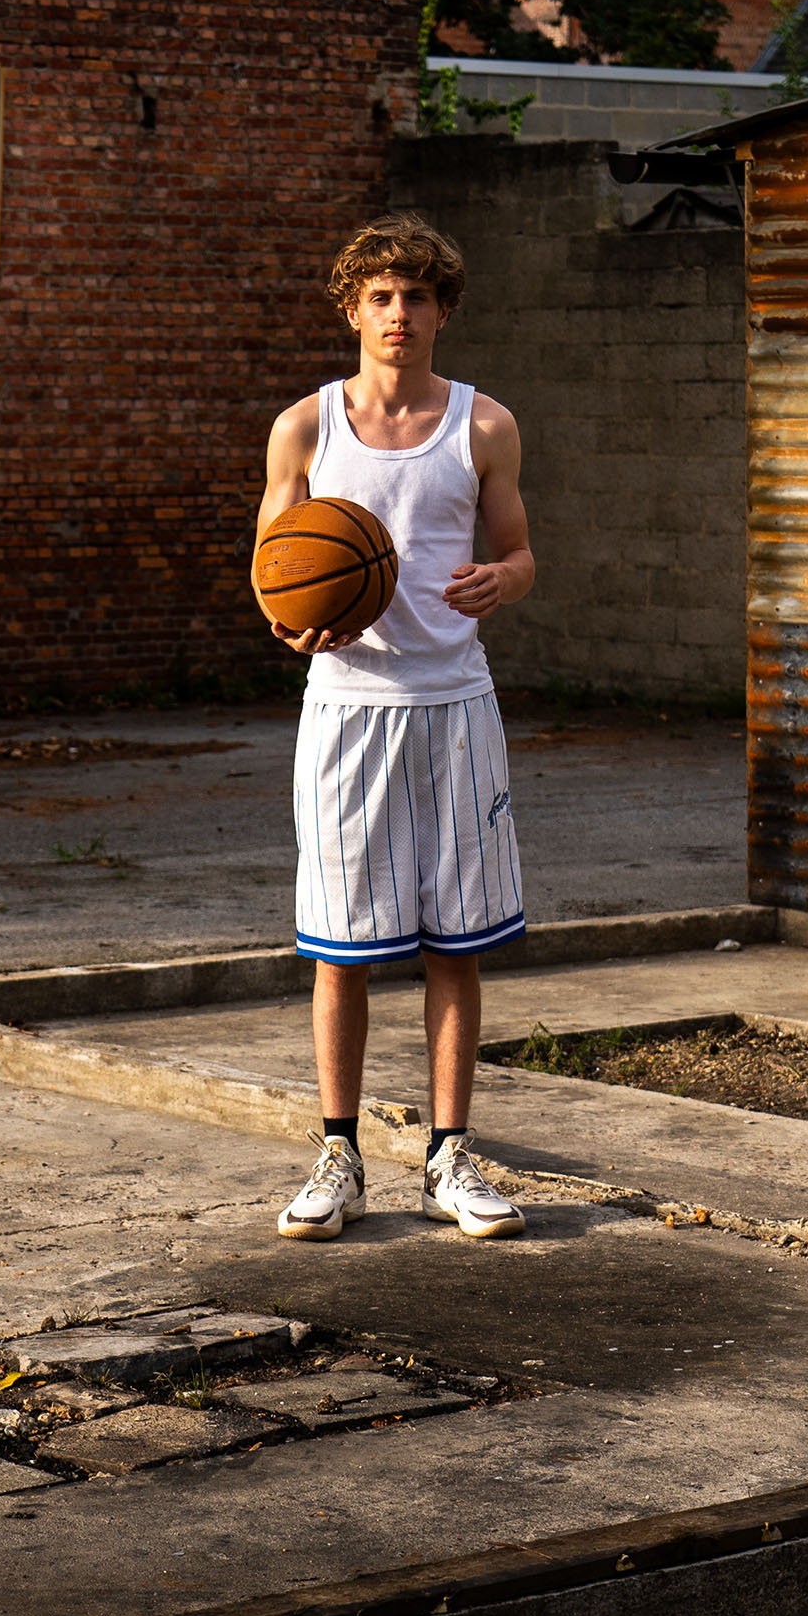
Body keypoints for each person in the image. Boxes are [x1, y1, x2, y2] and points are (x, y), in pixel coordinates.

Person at [253, 213, 534, 1244]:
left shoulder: (485, 426)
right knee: (343, 946)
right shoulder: (304, 428)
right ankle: (338, 1156)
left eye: (416, 297)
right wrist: (289, 622)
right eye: (379, 296)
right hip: (346, 711)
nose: (398, 314)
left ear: (442, 311)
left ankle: (448, 1159)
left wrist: (501, 578)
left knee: (454, 945)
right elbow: (268, 573)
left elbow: (519, 553)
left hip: (454, 703)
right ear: (351, 308)